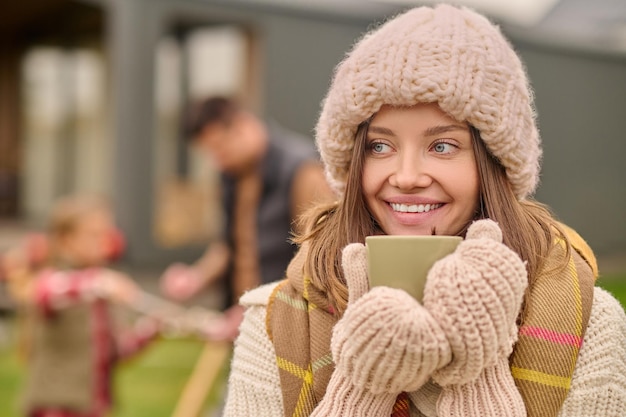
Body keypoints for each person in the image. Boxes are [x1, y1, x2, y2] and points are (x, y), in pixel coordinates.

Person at [222, 4, 626, 417]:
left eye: (442, 146)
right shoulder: (276, 324)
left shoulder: (592, 323)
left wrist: (476, 372)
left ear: (496, 165)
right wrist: (363, 385)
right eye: (380, 146)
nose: (407, 176)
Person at [160, 96, 334, 341]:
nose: (216, 160)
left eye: (220, 147)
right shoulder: (232, 176)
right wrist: (196, 278)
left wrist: (260, 307)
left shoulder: (303, 172)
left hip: (293, 331)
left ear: (243, 126)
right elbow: (232, 245)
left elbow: (318, 260)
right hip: (247, 321)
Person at [15, 195, 158, 417]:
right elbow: (44, 293)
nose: (103, 243)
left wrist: (151, 328)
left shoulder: (100, 291)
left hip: (92, 407)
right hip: (56, 406)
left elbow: (114, 351)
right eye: (93, 235)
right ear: (66, 240)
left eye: (106, 235)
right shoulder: (57, 280)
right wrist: (100, 282)